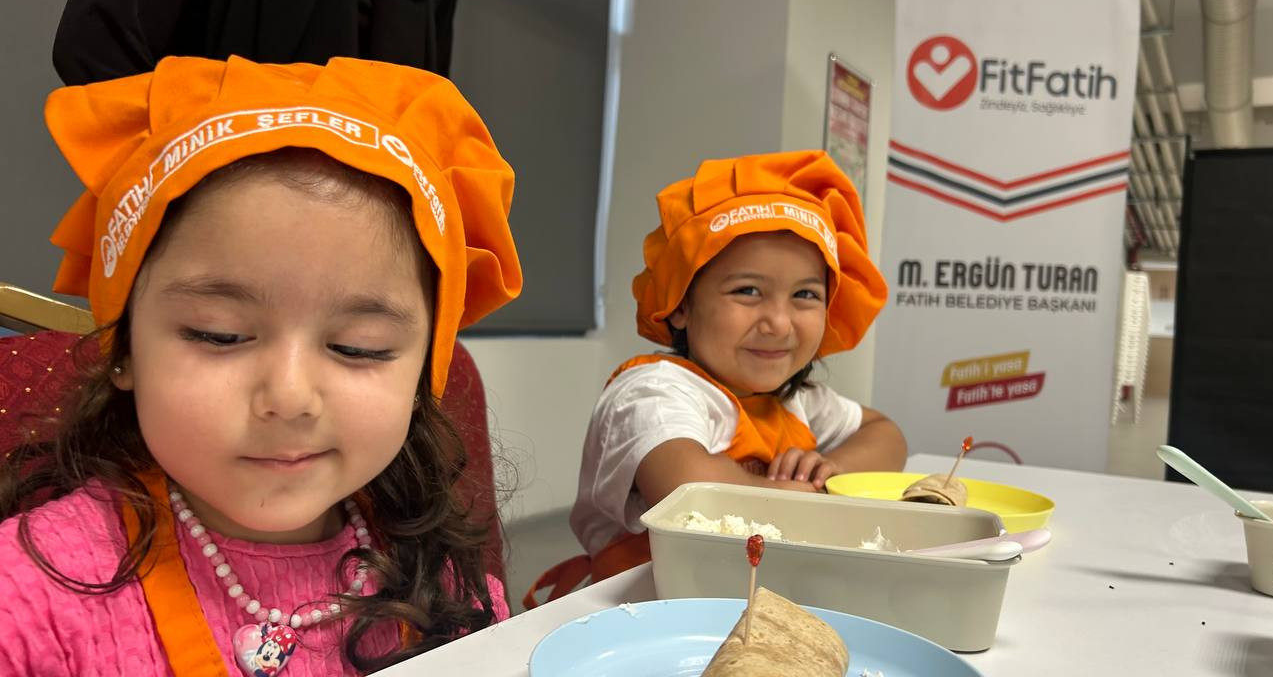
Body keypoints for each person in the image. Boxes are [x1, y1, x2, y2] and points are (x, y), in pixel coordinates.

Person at [0, 55, 521, 675]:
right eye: (219, 335)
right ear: (126, 347)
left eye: (359, 346)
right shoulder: (24, 604)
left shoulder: (453, 594)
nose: (290, 396)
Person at [527, 151, 905, 608]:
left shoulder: (797, 401)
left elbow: (886, 435)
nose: (779, 323)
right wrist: (804, 496)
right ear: (681, 305)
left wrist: (834, 469)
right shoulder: (652, 390)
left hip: (758, 603)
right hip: (648, 611)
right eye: (748, 291)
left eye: (805, 294)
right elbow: (690, 490)